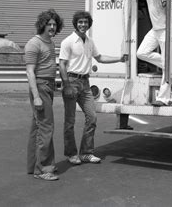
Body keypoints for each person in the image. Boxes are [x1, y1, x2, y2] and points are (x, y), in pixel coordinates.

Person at [59, 10, 126, 165]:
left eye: (86, 22)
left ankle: (86, 153)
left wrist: (119, 59)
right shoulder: (68, 42)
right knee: (70, 121)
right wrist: (67, 85)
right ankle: (71, 154)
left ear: (89, 24)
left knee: (92, 117)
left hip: (85, 83)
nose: (83, 25)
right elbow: (62, 64)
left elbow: (100, 58)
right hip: (71, 81)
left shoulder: (90, 41)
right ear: (75, 23)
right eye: (80, 22)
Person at [112, 0, 172, 107]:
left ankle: (163, 98)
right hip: (155, 29)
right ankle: (169, 64)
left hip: (166, 29)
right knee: (141, 53)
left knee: (165, 64)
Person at [25, 9, 64, 181]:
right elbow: (30, 72)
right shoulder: (34, 43)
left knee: (38, 128)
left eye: (55, 24)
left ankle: (33, 166)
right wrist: (37, 96)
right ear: (42, 24)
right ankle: (43, 169)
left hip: (48, 86)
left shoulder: (50, 42)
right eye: (49, 24)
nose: (52, 26)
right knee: (46, 128)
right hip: (40, 87)